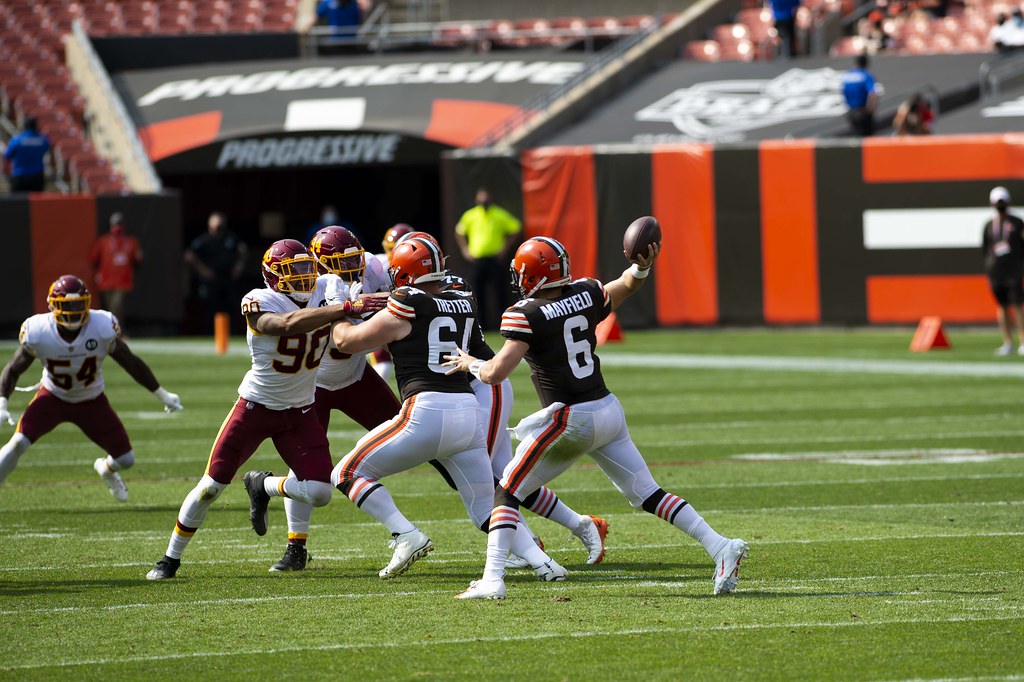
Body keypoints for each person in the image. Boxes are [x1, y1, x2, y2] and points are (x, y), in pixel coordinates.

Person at [445, 236, 748, 600]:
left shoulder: (526, 314)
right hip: (607, 410)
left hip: (571, 418)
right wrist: (642, 265)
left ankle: (492, 580)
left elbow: (495, 373)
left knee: (508, 489)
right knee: (647, 493)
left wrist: (470, 362)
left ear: (535, 277)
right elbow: (625, 285)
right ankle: (720, 546)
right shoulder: (587, 292)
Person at [320, 237, 568, 582]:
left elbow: (346, 341)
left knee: (345, 473)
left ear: (404, 274)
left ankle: (405, 534)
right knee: (485, 504)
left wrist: (339, 308)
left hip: (425, 411)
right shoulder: (463, 299)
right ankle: (544, 562)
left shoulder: (407, 301)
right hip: (467, 413)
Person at [146, 240, 386, 580]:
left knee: (319, 492)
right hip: (256, 407)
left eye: (306, 268)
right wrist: (345, 306)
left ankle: (262, 485)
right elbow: (285, 325)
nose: (303, 277)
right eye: (293, 271)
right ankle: (170, 558)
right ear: (272, 276)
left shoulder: (328, 285)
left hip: (301, 410)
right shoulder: (258, 300)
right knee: (211, 486)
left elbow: (350, 318)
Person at [439, 271, 608, 569]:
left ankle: (527, 545)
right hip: (471, 394)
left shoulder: (445, 302)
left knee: (479, 477)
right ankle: (580, 526)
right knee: (507, 475)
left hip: (484, 388)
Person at [266, 225, 401, 572]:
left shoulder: (373, 268)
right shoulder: (317, 286)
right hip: (314, 385)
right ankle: (295, 544)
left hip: (357, 376)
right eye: (343, 261)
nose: (354, 266)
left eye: (355, 258)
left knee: (412, 431)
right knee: (306, 469)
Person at [0, 275, 182, 501]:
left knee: (126, 460)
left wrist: (162, 394)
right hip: (52, 397)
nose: (74, 311)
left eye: (79, 304)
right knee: (18, 442)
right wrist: (2, 403)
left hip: (91, 400)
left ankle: (106, 468)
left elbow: (131, 362)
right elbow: (14, 368)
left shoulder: (101, 326)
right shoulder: (38, 331)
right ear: (52, 306)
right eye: (68, 306)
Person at [454, 188, 522, 330]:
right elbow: (459, 231)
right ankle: (482, 325)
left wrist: (504, 248)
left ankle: (503, 324)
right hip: (477, 260)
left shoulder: (499, 214)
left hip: (495, 260)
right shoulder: (470, 215)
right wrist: (465, 250)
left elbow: (515, 228)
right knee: (478, 293)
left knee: (500, 292)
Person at [184, 212, 247, 334]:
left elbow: (243, 251)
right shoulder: (204, 240)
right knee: (211, 308)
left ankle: (232, 333)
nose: (219, 229)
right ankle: (211, 333)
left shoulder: (231, 238)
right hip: (211, 280)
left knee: (231, 306)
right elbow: (189, 255)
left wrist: (238, 267)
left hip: (228, 278)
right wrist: (203, 270)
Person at [981, 186, 1024, 356]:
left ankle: (1022, 341)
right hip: (996, 272)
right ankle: (1007, 342)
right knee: (1002, 305)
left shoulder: (1017, 222)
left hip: (1013, 271)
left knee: (1018, 305)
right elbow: (985, 249)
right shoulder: (989, 225)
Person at [89, 213, 144, 328]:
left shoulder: (131, 241)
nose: (117, 226)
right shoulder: (103, 241)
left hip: (123, 280)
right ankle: (112, 330)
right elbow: (94, 258)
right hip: (106, 279)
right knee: (110, 309)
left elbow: (138, 259)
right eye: (115, 224)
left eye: (119, 223)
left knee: (116, 306)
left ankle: (117, 330)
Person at [3, 117, 50, 192]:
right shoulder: (43, 140)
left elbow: (7, 155)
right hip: (37, 178)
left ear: (24, 126)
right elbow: (46, 149)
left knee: (18, 203)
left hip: (20, 177)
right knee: (37, 203)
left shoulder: (17, 140)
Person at [842, 54, 880, 137]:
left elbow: (843, 92)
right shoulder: (866, 75)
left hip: (851, 112)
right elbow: (872, 93)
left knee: (856, 137)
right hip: (863, 111)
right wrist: (871, 110)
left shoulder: (847, 76)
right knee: (867, 139)